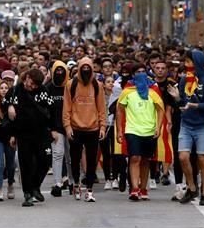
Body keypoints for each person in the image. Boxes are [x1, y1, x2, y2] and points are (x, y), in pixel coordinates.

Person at [5, 67, 54, 207]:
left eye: (33, 85)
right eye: (29, 82)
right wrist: (10, 107)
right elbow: (4, 104)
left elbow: (50, 110)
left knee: (45, 161)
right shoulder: (16, 90)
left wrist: (53, 129)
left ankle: (35, 186)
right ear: (26, 78)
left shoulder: (43, 91)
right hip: (23, 133)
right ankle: (27, 193)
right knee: (26, 163)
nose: (30, 86)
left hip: (41, 132)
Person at [117, 63, 164, 201]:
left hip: (149, 130)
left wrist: (158, 126)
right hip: (132, 130)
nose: (141, 74)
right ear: (133, 75)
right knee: (135, 158)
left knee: (145, 160)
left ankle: (143, 188)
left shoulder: (153, 90)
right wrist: (120, 130)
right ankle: (134, 188)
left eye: (144, 71)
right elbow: (120, 109)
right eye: (138, 72)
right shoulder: (128, 91)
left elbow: (160, 108)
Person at [62, 56, 106, 202]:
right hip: (75, 128)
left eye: (88, 68)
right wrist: (67, 127)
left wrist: (102, 127)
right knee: (74, 159)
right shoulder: (71, 84)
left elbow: (101, 108)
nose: (86, 70)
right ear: (79, 69)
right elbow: (66, 108)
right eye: (83, 68)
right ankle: (76, 184)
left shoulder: (97, 85)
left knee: (92, 160)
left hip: (93, 128)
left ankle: (90, 190)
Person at [176, 50, 204, 205]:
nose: (186, 65)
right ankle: (192, 187)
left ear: (197, 62)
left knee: (202, 158)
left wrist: (194, 105)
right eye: (185, 62)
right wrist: (177, 99)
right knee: (183, 157)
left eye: (189, 62)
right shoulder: (184, 80)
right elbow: (181, 101)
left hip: (203, 125)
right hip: (186, 124)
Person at [46, 60, 72, 197]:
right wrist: (51, 129)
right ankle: (57, 184)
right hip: (56, 128)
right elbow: (45, 110)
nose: (60, 73)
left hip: (71, 127)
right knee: (57, 155)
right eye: (57, 70)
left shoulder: (70, 86)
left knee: (70, 156)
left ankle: (73, 182)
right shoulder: (48, 88)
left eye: (62, 70)